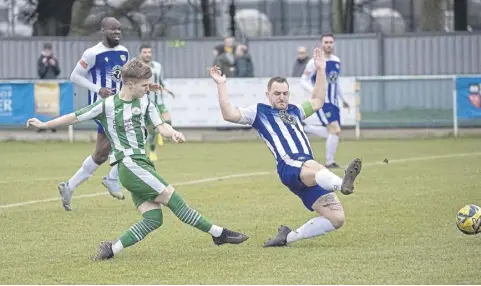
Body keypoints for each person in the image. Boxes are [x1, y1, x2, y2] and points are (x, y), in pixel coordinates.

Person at [26, 59, 249, 261]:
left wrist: (174, 133)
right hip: (130, 165)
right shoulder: (107, 105)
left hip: (141, 165)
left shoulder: (145, 103)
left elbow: (161, 126)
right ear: (130, 84)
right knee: (175, 199)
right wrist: (45, 125)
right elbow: (74, 117)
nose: (147, 88)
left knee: (153, 218)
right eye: (144, 85)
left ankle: (111, 249)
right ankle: (218, 234)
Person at [209, 47, 362, 247]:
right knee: (315, 167)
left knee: (337, 219)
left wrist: (321, 70)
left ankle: (287, 237)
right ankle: (342, 184)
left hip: (310, 171)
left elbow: (317, 100)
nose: (282, 97)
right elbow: (229, 114)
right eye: (277, 93)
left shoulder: (296, 110)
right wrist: (221, 85)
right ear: (268, 94)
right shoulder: (259, 112)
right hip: (290, 166)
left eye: (285, 93)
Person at [58, 17, 131, 211]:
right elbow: (75, 76)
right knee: (133, 138)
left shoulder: (124, 52)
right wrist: (97, 89)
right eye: (113, 30)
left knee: (101, 154)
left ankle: (69, 186)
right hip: (102, 107)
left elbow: (123, 78)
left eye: (119, 30)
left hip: (119, 105)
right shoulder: (92, 53)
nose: (117, 33)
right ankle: (112, 178)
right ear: (103, 31)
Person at [300, 34, 350, 169]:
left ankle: (306, 128)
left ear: (334, 44)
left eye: (331, 42)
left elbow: (336, 82)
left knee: (334, 132)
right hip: (323, 102)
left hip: (334, 102)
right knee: (335, 130)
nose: (328, 44)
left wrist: (343, 99)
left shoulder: (336, 61)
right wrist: (315, 92)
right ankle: (329, 162)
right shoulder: (314, 62)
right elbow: (303, 80)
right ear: (321, 44)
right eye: (326, 42)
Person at [138, 44, 175, 161]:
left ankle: (160, 131)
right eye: (144, 52)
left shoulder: (157, 66)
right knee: (150, 130)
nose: (147, 54)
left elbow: (161, 81)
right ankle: (152, 152)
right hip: (144, 103)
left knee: (168, 120)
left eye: (149, 52)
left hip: (158, 101)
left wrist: (167, 89)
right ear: (140, 54)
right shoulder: (136, 67)